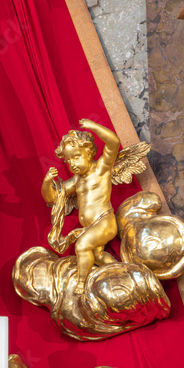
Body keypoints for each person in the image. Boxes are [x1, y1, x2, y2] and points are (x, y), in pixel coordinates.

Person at [42, 119, 120, 292]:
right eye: (68, 160)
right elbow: (53, 198)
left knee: (82, 245)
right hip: (90, 227)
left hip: (104, 221)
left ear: (89, 152)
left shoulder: (101, 169)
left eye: (76, 157)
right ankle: (121, 271)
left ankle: (81, 284)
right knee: (98, 256)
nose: (72, 163)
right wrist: (47, 182)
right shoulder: (76, 181)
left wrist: (93, 126)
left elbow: (113, 143)